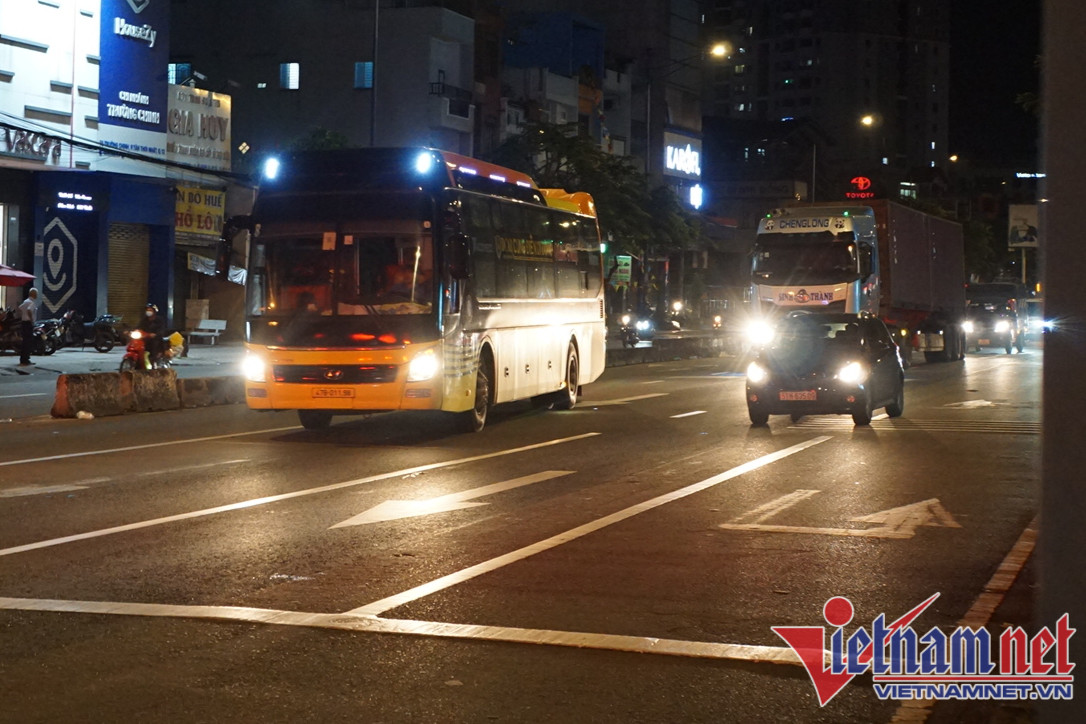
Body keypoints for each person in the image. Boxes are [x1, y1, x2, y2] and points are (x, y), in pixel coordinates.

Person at [17, 287, 38, 366]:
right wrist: (31, 319)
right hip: (28, 323)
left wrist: (23, 315)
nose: (37, 295)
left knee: (24, 342)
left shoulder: (26, 301)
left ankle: (23, 359)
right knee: (28, 342)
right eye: (36, 294)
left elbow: (20, 307)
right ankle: (26, 360)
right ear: (34, 294)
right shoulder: (32, 303)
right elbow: (29, 310)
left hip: (23, 323)